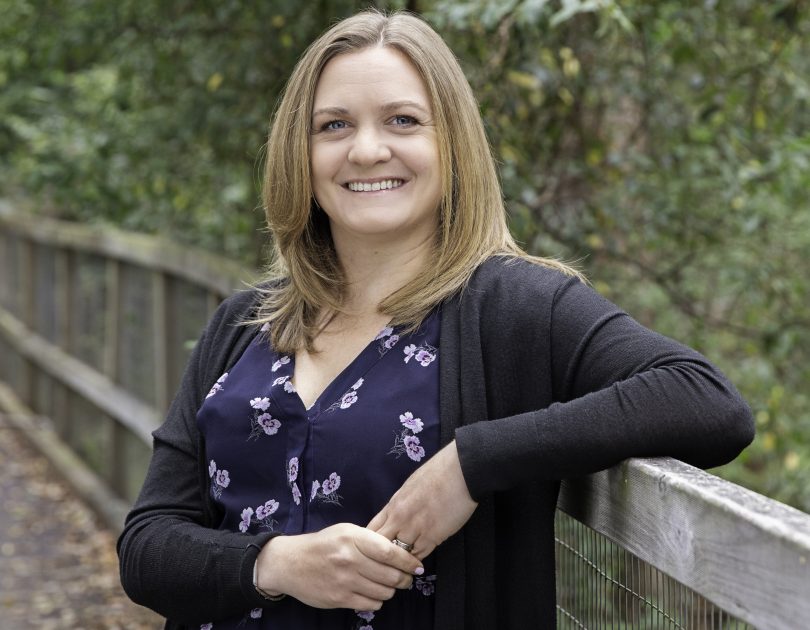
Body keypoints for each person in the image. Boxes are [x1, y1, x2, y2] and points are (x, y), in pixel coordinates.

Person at [117, 9, 755, 630]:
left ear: (451, 144)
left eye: (402, 120)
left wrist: (470, 464)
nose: (367, 150)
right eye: (334, 125)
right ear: (299, 151)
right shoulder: (244, 324)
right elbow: (147, 548)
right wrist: (274, 562)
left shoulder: (518, 307)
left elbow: (706, 401)